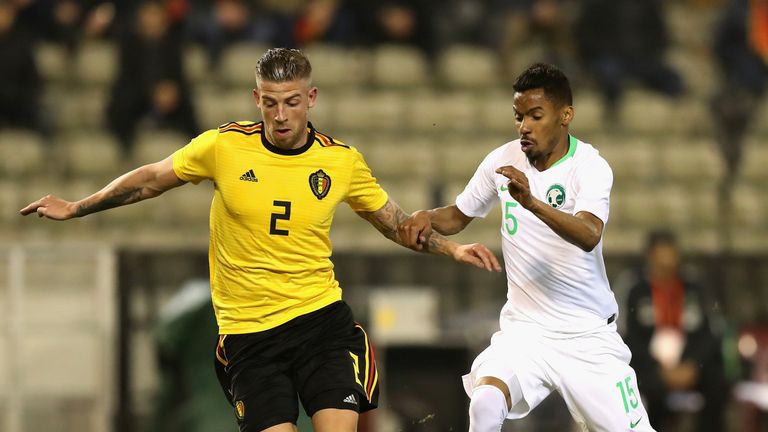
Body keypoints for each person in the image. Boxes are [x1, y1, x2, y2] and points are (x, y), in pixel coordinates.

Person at [20, 47, 500, 432]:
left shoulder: (342, 162)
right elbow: (149, 180)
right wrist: (78, 206)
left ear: (311, 98)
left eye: (291, 102)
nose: (281, 114)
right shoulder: (223, 146)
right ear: (256, 99)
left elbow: (395, 222)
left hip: (321, 324)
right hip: (250, 337)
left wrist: (451, 248)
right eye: (270, 102)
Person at [398, 63, 655, 431]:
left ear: (565, 115)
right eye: (519, 117)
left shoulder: (590, 167)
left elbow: (589, 234)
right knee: (485, 402)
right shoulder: (502, 160)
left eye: (536, 115)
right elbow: (458, 216)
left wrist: (532, 202)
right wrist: (427, 216)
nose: (524, 127)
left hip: (587, 337)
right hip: (526, 333)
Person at [618, 230, 727, 432]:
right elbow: (625, 333)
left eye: (671, 264)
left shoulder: (694, 285)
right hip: (650, 367)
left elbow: (713, 331)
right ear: (649, 258)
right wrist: (658, 368)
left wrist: (692, 363)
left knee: (718, 384)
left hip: (691, 364)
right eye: (660, 265)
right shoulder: (633, 287)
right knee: (644, 387)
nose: (666, 270)